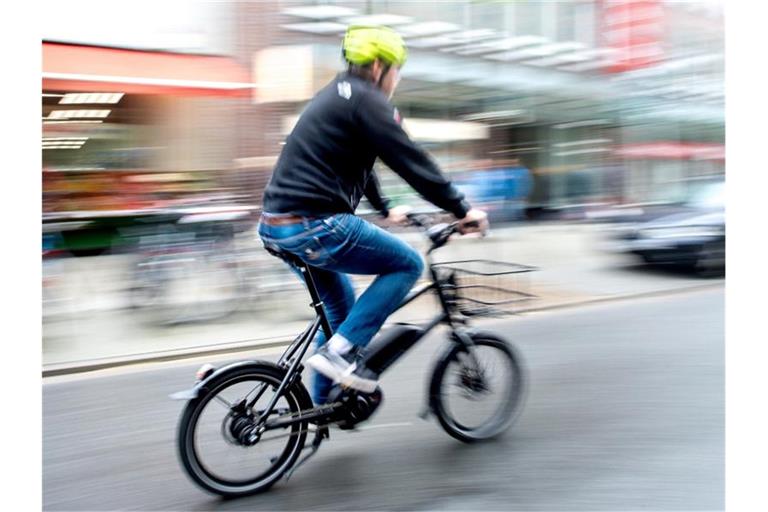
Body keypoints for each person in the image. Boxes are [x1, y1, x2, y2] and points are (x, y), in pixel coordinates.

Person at [258, 25, 488, 405]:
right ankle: (340, 354)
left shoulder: (336, 95)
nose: (397, 78)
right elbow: (410, 160)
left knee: (340, 308)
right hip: (316, 224)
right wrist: (461, 209)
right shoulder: (368, 99)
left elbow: (358, 163)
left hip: (277, 226)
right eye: (397, 69)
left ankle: (322, 407)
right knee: (406, 264)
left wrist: (384, 209)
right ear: (380, 65)